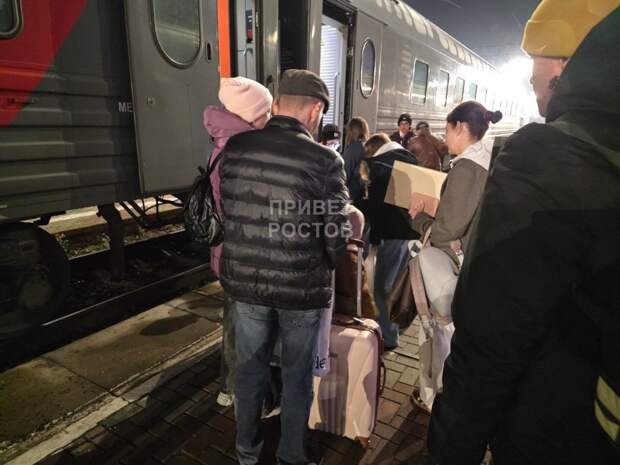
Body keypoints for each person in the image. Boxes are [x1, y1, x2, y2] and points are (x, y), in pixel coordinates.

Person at [428, 2, 620, 465]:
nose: (532, 75)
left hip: (552, 431)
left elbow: (490, 341)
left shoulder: (547, 160)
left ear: (568, 61)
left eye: (537, 58)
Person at [219, 69, 351, 465]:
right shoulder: (326, 160)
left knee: (249, 373)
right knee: (296, 379)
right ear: (314, 111)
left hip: (247, 284)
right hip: (300, 290)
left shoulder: (236, 147)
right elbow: (336, 235)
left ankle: (247, 453)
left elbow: (231, 210)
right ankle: (291, 456)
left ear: (276, 105)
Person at [407, 102, 502, 410]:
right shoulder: (489, 160)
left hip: (450, 268)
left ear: (460, 127)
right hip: (472, 267)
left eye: (447, 130)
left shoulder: (467, 168)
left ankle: (435, 395)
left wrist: (419, 220)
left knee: (439, 333)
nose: (444, 138)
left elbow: (447, 229)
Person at [203, 77, 273, 408]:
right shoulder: (244, 151)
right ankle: (237, 389)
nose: (269, 117)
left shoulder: (224, 144)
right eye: (265, 111)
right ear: (251, 115)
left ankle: (229, 385)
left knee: (234, 321)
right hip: (245, 255)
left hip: (229, 252)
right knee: (246, 327)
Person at [362, 134, 419, 349]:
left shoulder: (381, 168)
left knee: (383, 288)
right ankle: (396, 327)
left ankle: (389, 336)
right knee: (399, 285)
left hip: (392, 236)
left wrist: (373, 241)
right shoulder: (406, 162)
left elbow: (377, 210)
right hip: (411, 232)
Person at [342, 117, 370, 209]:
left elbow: (345, 174)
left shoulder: (353, 148)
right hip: (366, 194)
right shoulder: (369, 146)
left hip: (353, 196)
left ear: (351, 131)